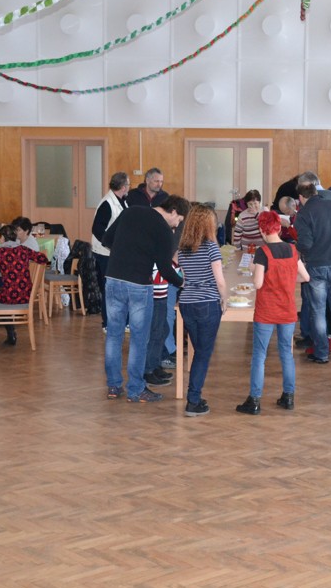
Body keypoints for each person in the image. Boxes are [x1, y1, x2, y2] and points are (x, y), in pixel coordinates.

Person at [101, 195, 189, 403]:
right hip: (139, 285)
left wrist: (125, 252)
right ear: (173, 211)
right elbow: (165, 269)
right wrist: (183, 283)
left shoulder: (131, 211)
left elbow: (106, 240)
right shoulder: (163, 230)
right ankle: (136, 389)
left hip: (113, 279)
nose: (177, 225)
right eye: (179, 220)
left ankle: (114, 386)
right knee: (139, 339)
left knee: (113, 335)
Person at [237, 211, 309, 415]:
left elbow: (259, 283)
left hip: (267, 311)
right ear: (278, 227)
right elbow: (305, 277)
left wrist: (254, 269)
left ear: (262, 230)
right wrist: (286, 279)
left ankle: (254, 400)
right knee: (286, 353)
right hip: (287, 310)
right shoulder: (292, 249)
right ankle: (288, 397)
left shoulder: (263, 252)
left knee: (259, 355)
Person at [175, 204, 228, 417]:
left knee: (199, 351)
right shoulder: (211, 248)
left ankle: (195, 397)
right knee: (203, 354)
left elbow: (182, 273)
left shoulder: (183, 250)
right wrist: (225, 299)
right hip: (207, 303)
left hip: (186, 303)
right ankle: (193, 401)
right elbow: (220, 281)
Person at [294, 172, 331, 363]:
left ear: (301, 197)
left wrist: (297, 247)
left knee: (318, 310)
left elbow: (306, 244)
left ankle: (321, 353)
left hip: (317, 265)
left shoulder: (304, 213)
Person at [0, 223, 47, 346]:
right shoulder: (24, 250)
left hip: (9, 297)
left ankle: (6, 322)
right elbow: (43, 259)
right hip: (26, 295)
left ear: (2, 238)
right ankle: (6, 322)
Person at [91, 172, 130, 331]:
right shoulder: (107, 204)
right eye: (128, 184)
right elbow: (97, 229)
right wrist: (112, 245)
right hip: (105, 254)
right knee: (109, 289)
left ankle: (122, 322)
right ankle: (107, 323)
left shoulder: (122, 201)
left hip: (116, 253)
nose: (129, 187)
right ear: (123, 187)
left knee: (120, 288)